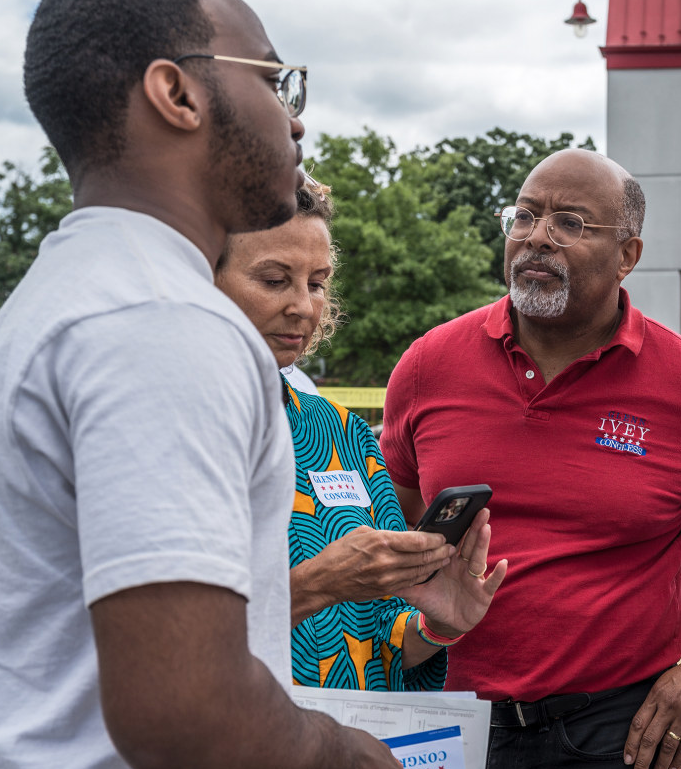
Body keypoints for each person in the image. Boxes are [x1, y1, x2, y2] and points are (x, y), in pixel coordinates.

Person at [0, 0, 414, 769]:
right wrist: (349, 755)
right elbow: (185, 708)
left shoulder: (58, 298)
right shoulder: (164, 322)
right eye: (275, 81)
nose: (295, 123)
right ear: (176, 93)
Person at [379, 147, 681, 769]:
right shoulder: (428, 366)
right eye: (525, 216)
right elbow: (406, 519)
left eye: (570, 222)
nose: (538, 238)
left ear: (628, 256)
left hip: (616, 734)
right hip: (443, 720)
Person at [215, 179, 506, 692]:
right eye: (275, 279)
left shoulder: (345, 434)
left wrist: (438, 625)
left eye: (317, 282)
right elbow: (153, 643)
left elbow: (385, 645)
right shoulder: (171, 428)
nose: (303, 307)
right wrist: (315, 586)